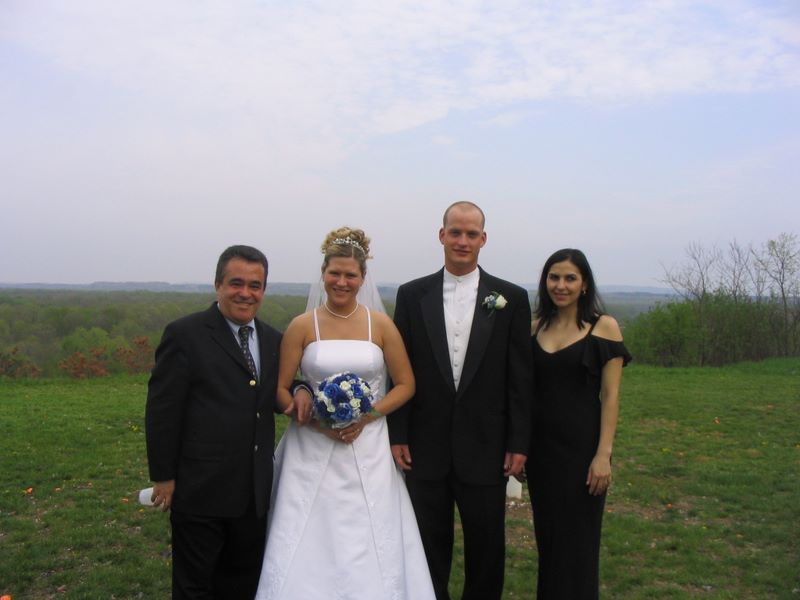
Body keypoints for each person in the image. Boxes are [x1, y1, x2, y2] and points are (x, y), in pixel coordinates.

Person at [255, 227, 436, 600]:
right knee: (311, 530)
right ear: (323, 274)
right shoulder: (303, 326)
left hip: (367, 442)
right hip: (311, 442)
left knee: (368, 530)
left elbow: (405, 384)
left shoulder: (380, 325)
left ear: (363, 278)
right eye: (334, 273)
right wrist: (311, 411)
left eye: (350, 275)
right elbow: (279, 389)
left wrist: (367, 415)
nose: (341, 281)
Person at [388, 202, 532, 600]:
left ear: (483, 239)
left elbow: (520, 379)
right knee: (426, 546)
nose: (463, 241)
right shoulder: (411, 295)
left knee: (486, 548)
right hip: (423, 444)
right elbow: (397, 371)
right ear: (441, 236)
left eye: (471, 234)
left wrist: (518, 443)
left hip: (487, 446)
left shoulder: (512, 299)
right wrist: (397, 433)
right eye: (455, 232)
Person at [145, 245, 285, 599]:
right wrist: (164, 476)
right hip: (200, 490)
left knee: (242, 583)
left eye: (255, 285)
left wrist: (300, 389)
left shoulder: (272, 339)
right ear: (217, 285)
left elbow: (275, 389)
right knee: (196, 586)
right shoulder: (185, 335)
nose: (245, 293)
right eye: (236, 283)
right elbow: (163, 411)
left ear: (264, 290)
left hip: (253, 493)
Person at [527, 248, 631, 599]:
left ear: (584, 284)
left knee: (579, 545)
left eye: (570, 278)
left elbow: (611, 396)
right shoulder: (535, 326)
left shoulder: (604, 327)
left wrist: (604, 455)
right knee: (550, 542)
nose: (561, 285)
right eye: (554, 277)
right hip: (542, 453)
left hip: (583, 453)